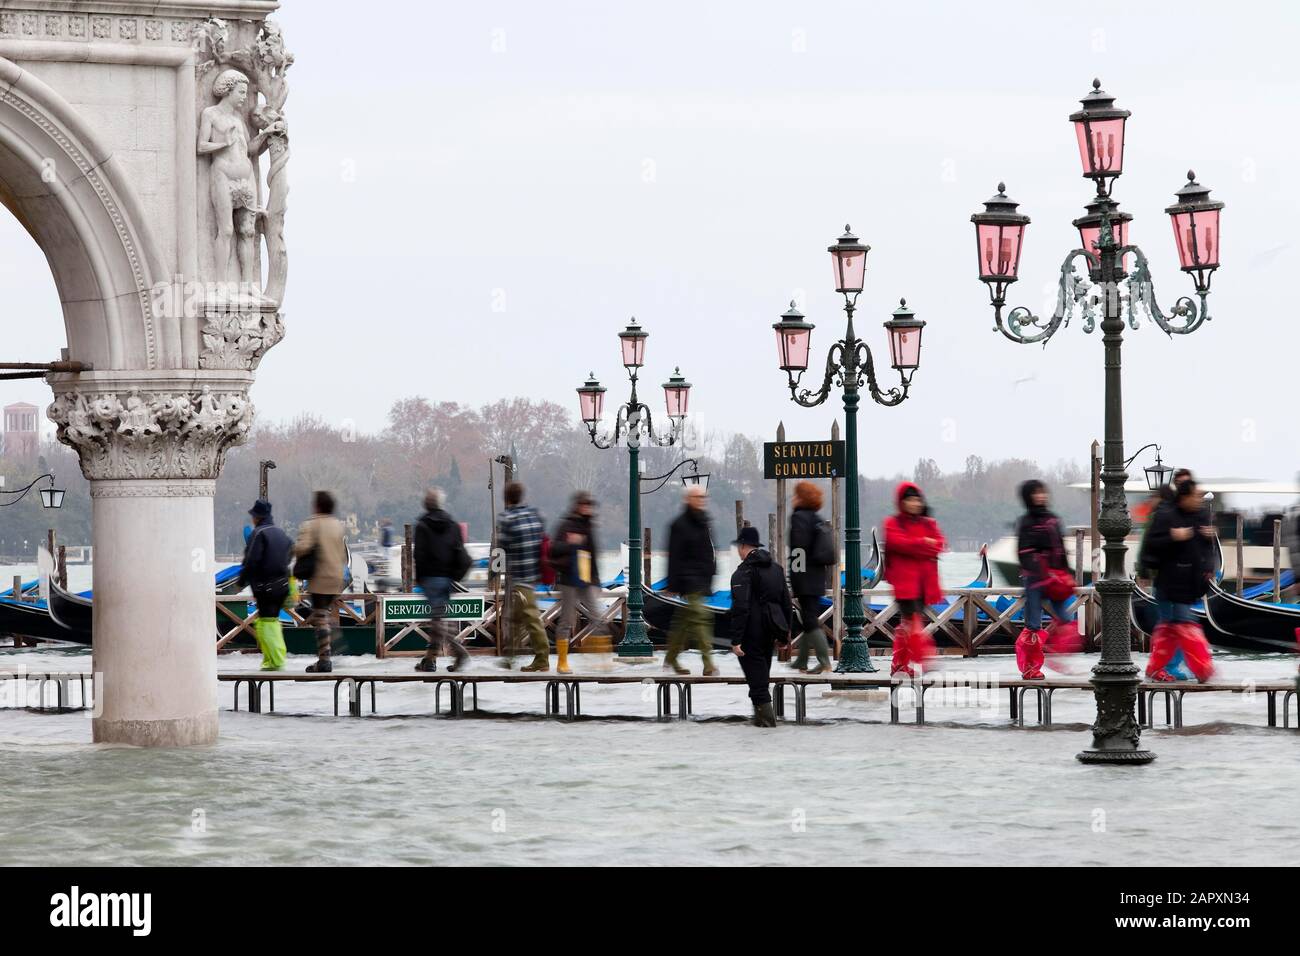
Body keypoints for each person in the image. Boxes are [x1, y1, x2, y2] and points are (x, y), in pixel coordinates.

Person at [1139, 478, 1216, 682]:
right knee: (1178, 624)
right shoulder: (1165, 515)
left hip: (1189, 584)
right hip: (1168, 583)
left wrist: (1209, 566)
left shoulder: (1200, 516)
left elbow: (1207, 550)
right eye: (1195, 496)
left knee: (1174, 625)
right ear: (1184, 496)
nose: (1199, 499)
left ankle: (1164, 668)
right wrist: (1173, 537)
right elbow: (1151, 546)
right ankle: (1192, 668)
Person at [1014, 480, 1081, 679]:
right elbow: (1023, 552)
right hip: (1035, 580)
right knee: (1033, 625)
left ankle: (1053, 654)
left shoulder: (1053, 519)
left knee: (1066, 619)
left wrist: (1067, 575)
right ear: (1029, 497)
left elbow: (1060, 549)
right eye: (1036, 493)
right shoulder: (1026, 522)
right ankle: (1030, 667)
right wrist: (1040, 572)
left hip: (1056, 579)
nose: (1041, 496)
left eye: (1042, 492)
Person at [730, 525, 791, 727]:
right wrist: (784, 635)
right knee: (761, 678)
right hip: (772, 629)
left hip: (751, 632)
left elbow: (741, 607)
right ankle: (760, 723)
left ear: (743, 546)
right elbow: (786, 603)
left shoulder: (742, 573)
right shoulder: (776, 569)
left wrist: (736, 639)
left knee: (757, 684)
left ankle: (766, 725)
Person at [882, 482, 944, 677]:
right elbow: (898, 543)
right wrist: (924, 543)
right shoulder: (892, 523)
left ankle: (899, 665)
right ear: (901, 502)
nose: (914, 503)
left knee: (907, 625)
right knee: (914, 623)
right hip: (905, 584)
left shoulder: (928, 523)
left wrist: (917, 545)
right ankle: (924, 657)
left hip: (924, 583)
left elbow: (940, 544)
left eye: (917, 499)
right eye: (909, 500)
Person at [549, 491, 611, 674]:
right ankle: (562, 662)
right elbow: (553, 549)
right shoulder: (565, 524)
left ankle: (603, 658)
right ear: (577, 505)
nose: (587, 508)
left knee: (598, 617)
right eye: (584, 504)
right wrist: (571, 543)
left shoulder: (589, 526)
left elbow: (593, 554)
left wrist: (597, 580)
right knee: (566, 620)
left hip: (587, 578)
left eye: (589, 505)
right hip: (568, 579)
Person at [413, 487, 472, 673]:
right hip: (447, 577)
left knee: (438, 620)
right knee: (439, 617)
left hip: (430, 577)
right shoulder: (452, 525)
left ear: (426, 504)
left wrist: (419, 578)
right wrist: (455, 575)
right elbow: (458, 550)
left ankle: (456, 652)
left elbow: (419, 555)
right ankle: (429, 660)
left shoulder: (422, 526)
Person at [664, 484, 718, 676]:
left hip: (702, 577)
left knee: (683, 621)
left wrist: (711, 573)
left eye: (703, 497)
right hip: (687, 579)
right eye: (697, 497)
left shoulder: (704, 521)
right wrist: (673, 584)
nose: (701, 501)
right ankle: (708, 663)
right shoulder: (678, 524)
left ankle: (671, 658)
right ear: (688, 499)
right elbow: (674, 556)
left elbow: (709, 549)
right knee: (702, 617)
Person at [496, 481, 550, 672]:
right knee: (516, 618)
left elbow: (502, 549)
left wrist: (495, 573)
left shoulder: (506, 519)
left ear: (506, 498)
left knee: (530, 618)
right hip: (534, 575)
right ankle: (510, 656)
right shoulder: (536, 515)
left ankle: (542, 659)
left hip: (518, 576)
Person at [294, 490, 347, 673]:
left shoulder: (312, 524)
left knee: (319, 616)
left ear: (317, 506)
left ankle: (325, 659)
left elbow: (303, 547)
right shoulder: (338, 526)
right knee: (324, 614)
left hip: (320, 576)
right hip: (336, 576)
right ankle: (332, 647)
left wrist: (294, 549)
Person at [238, 498, 291, 671]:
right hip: (282, 586)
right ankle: (272, 659)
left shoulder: (259, 533)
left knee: (266, 622)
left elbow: (251, 561)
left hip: (265, 587)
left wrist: (241, 581)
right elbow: (290, 551)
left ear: (257, 517)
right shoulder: (281, 533)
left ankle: (276, 660)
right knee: (272, 620)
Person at [787, 480, 834, 674]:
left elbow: (798, 549)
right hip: (817, 575)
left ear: (801, 498)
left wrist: (795, 576)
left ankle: (824, 661)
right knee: (809, 618)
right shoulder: (817, 518)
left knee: (809, 620)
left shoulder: (798, 518)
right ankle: (802, 660)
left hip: (804, 575)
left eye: (796, 495)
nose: (793, 498)